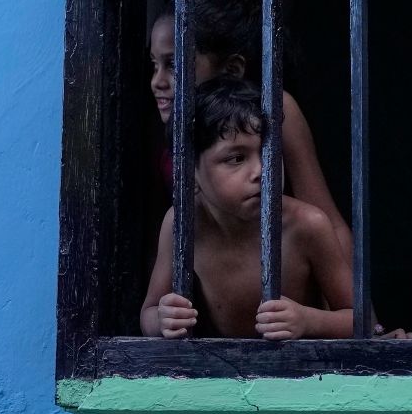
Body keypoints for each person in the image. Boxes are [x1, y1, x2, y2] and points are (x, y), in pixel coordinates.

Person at [141, 79, 375, 340]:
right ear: (189, 173)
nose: (261, 171)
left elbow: (362, 321)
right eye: (236, 158)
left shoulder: (307, 225)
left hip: (302, 375)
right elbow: (148, 311)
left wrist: (309, 321)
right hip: (220, 374)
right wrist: (163, 319)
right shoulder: (182, 224)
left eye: (269, 153)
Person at [148, 0, 352, 276]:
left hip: (283, 286)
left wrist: (364, 319)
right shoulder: (175, 121)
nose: (157, 81)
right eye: (154, 64)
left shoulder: (273, 107)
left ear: (231, 70)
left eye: (174, 65)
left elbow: (329, 222)